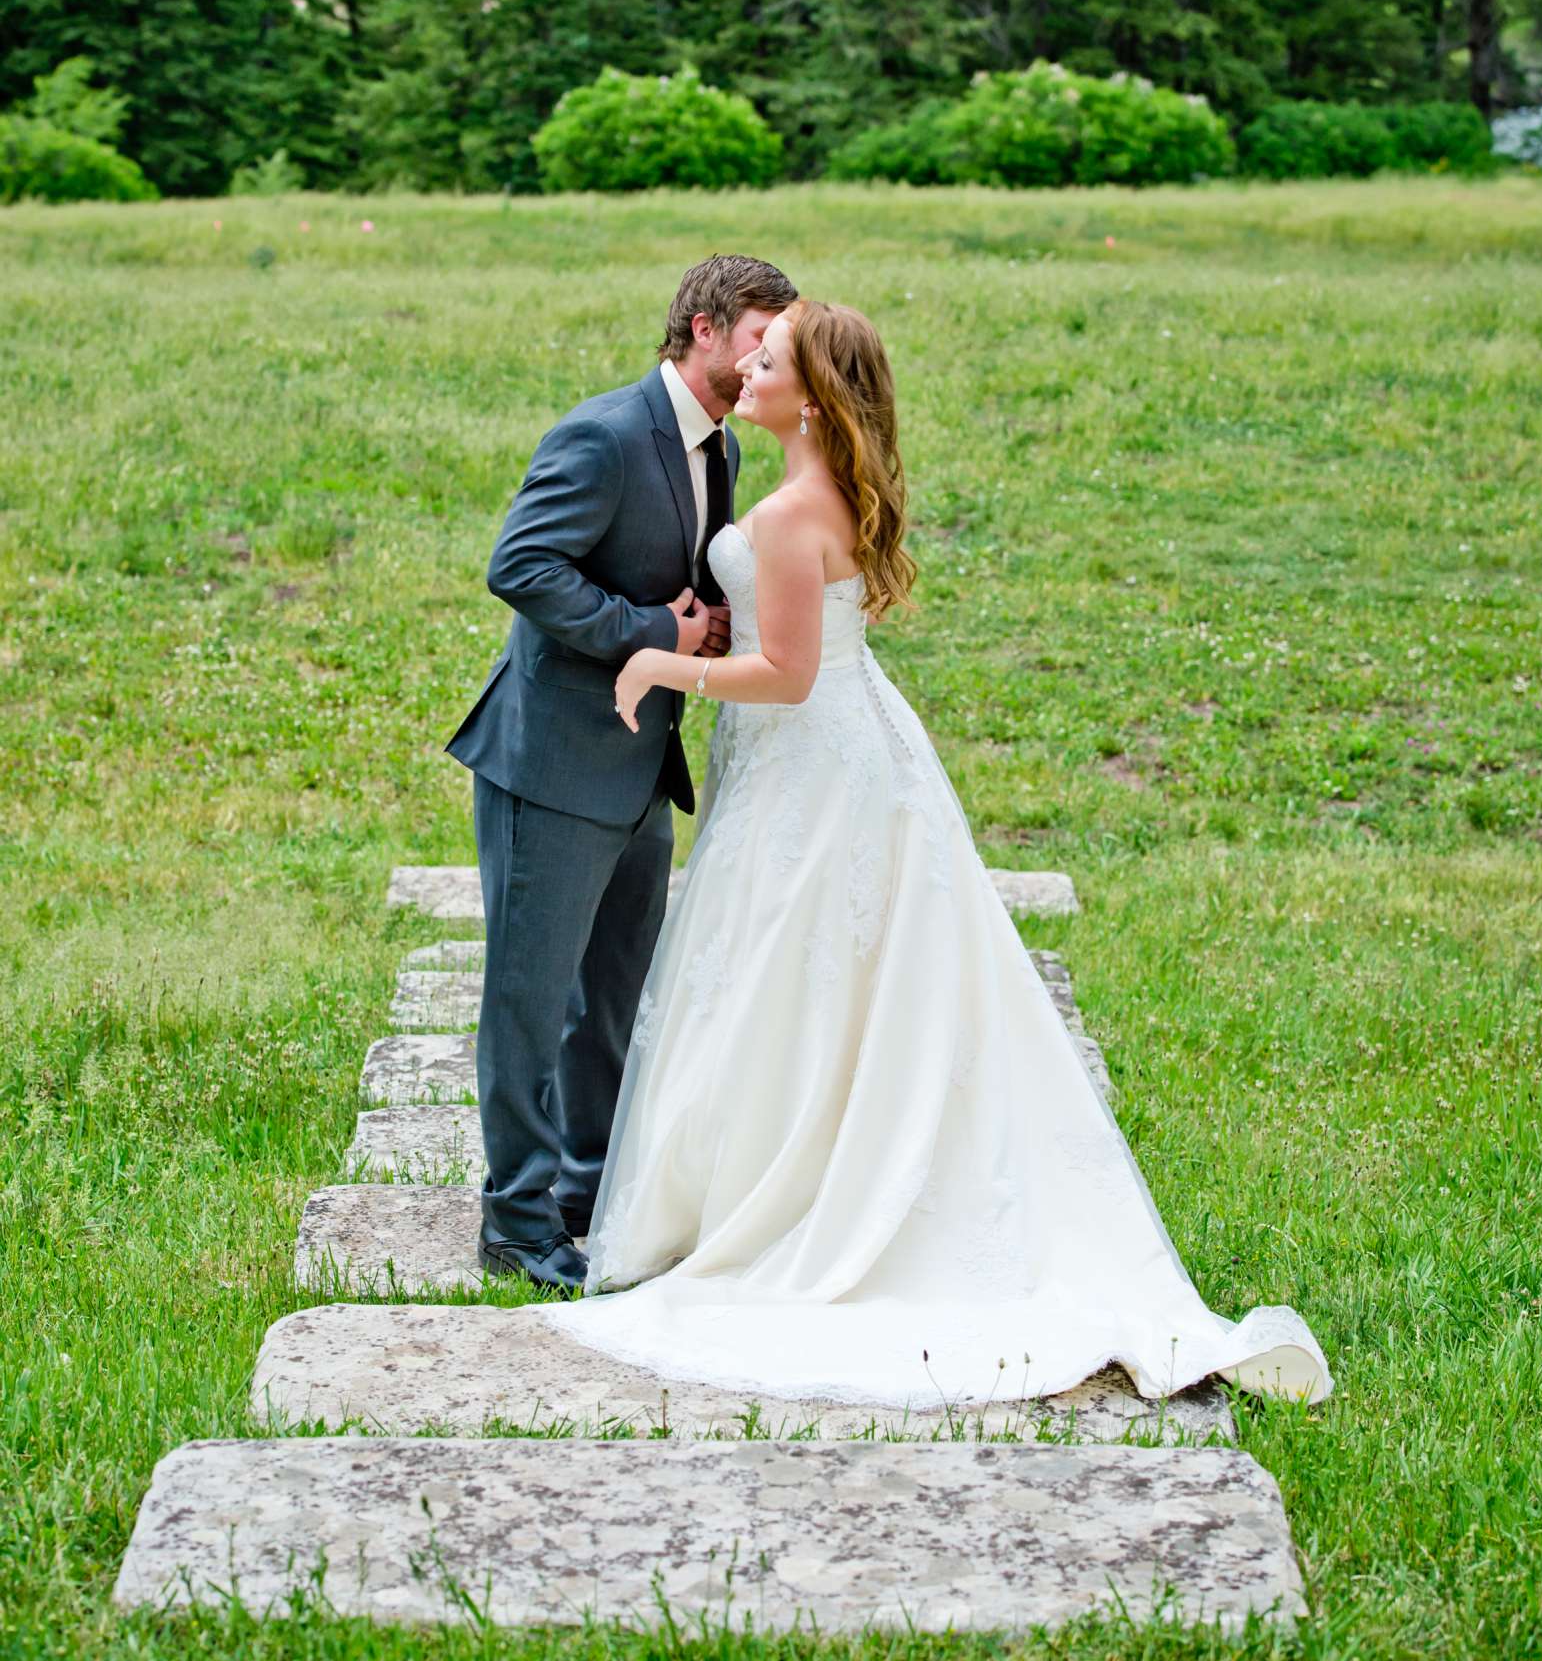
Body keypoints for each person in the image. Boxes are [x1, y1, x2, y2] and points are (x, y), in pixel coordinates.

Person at [534, 298, 1331, 1410]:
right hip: (835, 756)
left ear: (809, 397)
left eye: (767, 362)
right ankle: (786, 1178)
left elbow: (790, 675)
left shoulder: (785, 516)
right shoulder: (829, 495)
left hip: (812, 761)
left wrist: (655, 667)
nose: (746, 372)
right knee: (811, 976)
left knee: (793, 972)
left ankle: (801, 1200)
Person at [445, 255, 797, 1291]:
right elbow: (521, 566)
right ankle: (513, 1220)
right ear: (700, 328)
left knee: (609, 1001)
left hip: (641, 767)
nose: (769, 355)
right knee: (528, 997)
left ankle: (583, 1190)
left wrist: (705, 624)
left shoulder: (718, 442)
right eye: (757, 338)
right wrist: (655, 628)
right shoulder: (603, 434)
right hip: (550, 768)